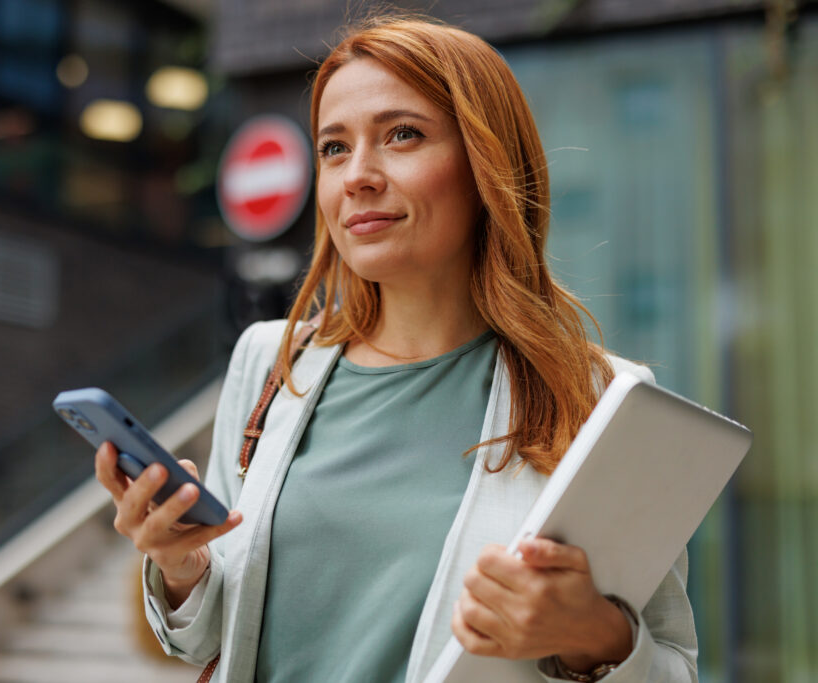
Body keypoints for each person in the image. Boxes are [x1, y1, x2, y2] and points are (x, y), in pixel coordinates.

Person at [95, 16, 698, 683]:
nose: (357, 176)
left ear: (485, 161)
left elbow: (674, 665)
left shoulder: (597, 396)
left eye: (401, 135)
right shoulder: (270, 363)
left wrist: (590, 632)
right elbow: (206, 637)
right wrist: (182, 564)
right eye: (332, 147)